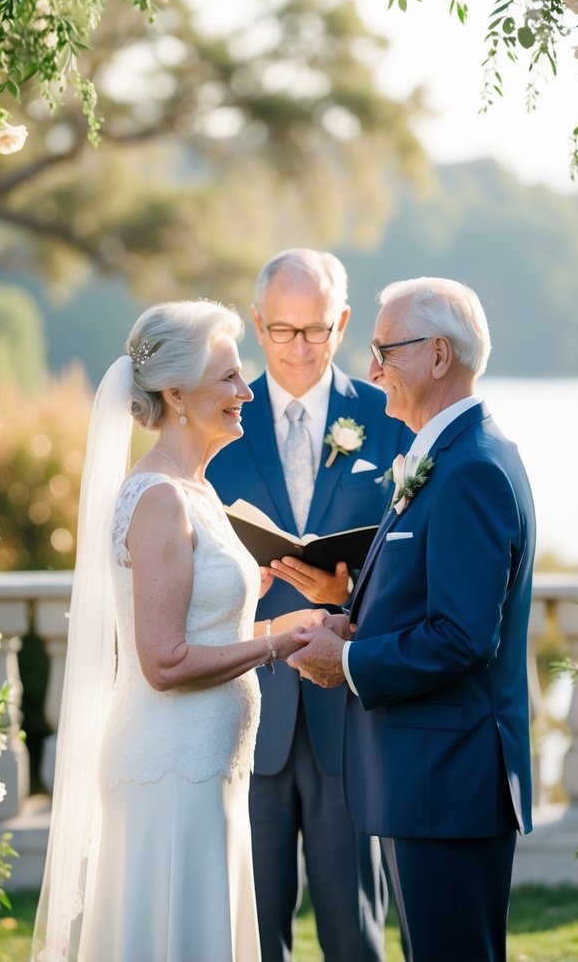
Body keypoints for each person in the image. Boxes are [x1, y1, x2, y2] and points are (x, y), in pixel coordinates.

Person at [31, 300, 326, 962]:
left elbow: (201, 620)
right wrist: (276, 641)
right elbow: (164, 662)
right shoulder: (159, 497)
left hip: (209, 765)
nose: (246, 392)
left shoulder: (197, 490)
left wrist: (271, 602)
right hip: (168, 767)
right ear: (175, 393)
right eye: (227, 378)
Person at [290, 276, 536, 962]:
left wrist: (343, 662)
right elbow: (433, 603)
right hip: (429, 780)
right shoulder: (452, 457)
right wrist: (347, 611)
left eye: (383, 351)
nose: (370, 371)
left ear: (436, 356)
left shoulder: (470, 470)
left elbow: (462, 637)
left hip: (447, 785)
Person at [207, 249, 407, 962]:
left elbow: (415, 563)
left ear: (343, 323)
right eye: (282, 330)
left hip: (348, 714)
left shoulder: (387, 420)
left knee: (354, 931)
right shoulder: (218, 419)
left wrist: (347, 592)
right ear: (257, 326)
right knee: (251, 932)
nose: (298, 348)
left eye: (315, 330)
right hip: (241, 708)